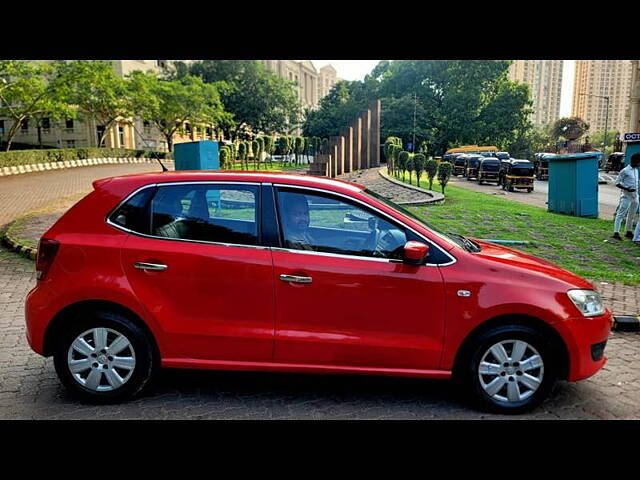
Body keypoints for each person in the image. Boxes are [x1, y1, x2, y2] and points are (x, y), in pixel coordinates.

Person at [612, 153, 640, 241]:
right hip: (626, 196)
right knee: (621, 214)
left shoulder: (636, 170)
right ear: (635, 161)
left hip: (635, 196)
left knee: (632, 215)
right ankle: (616, 232)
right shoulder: (625, 171)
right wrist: (626, 188)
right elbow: (617, 182)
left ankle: (628, 231)